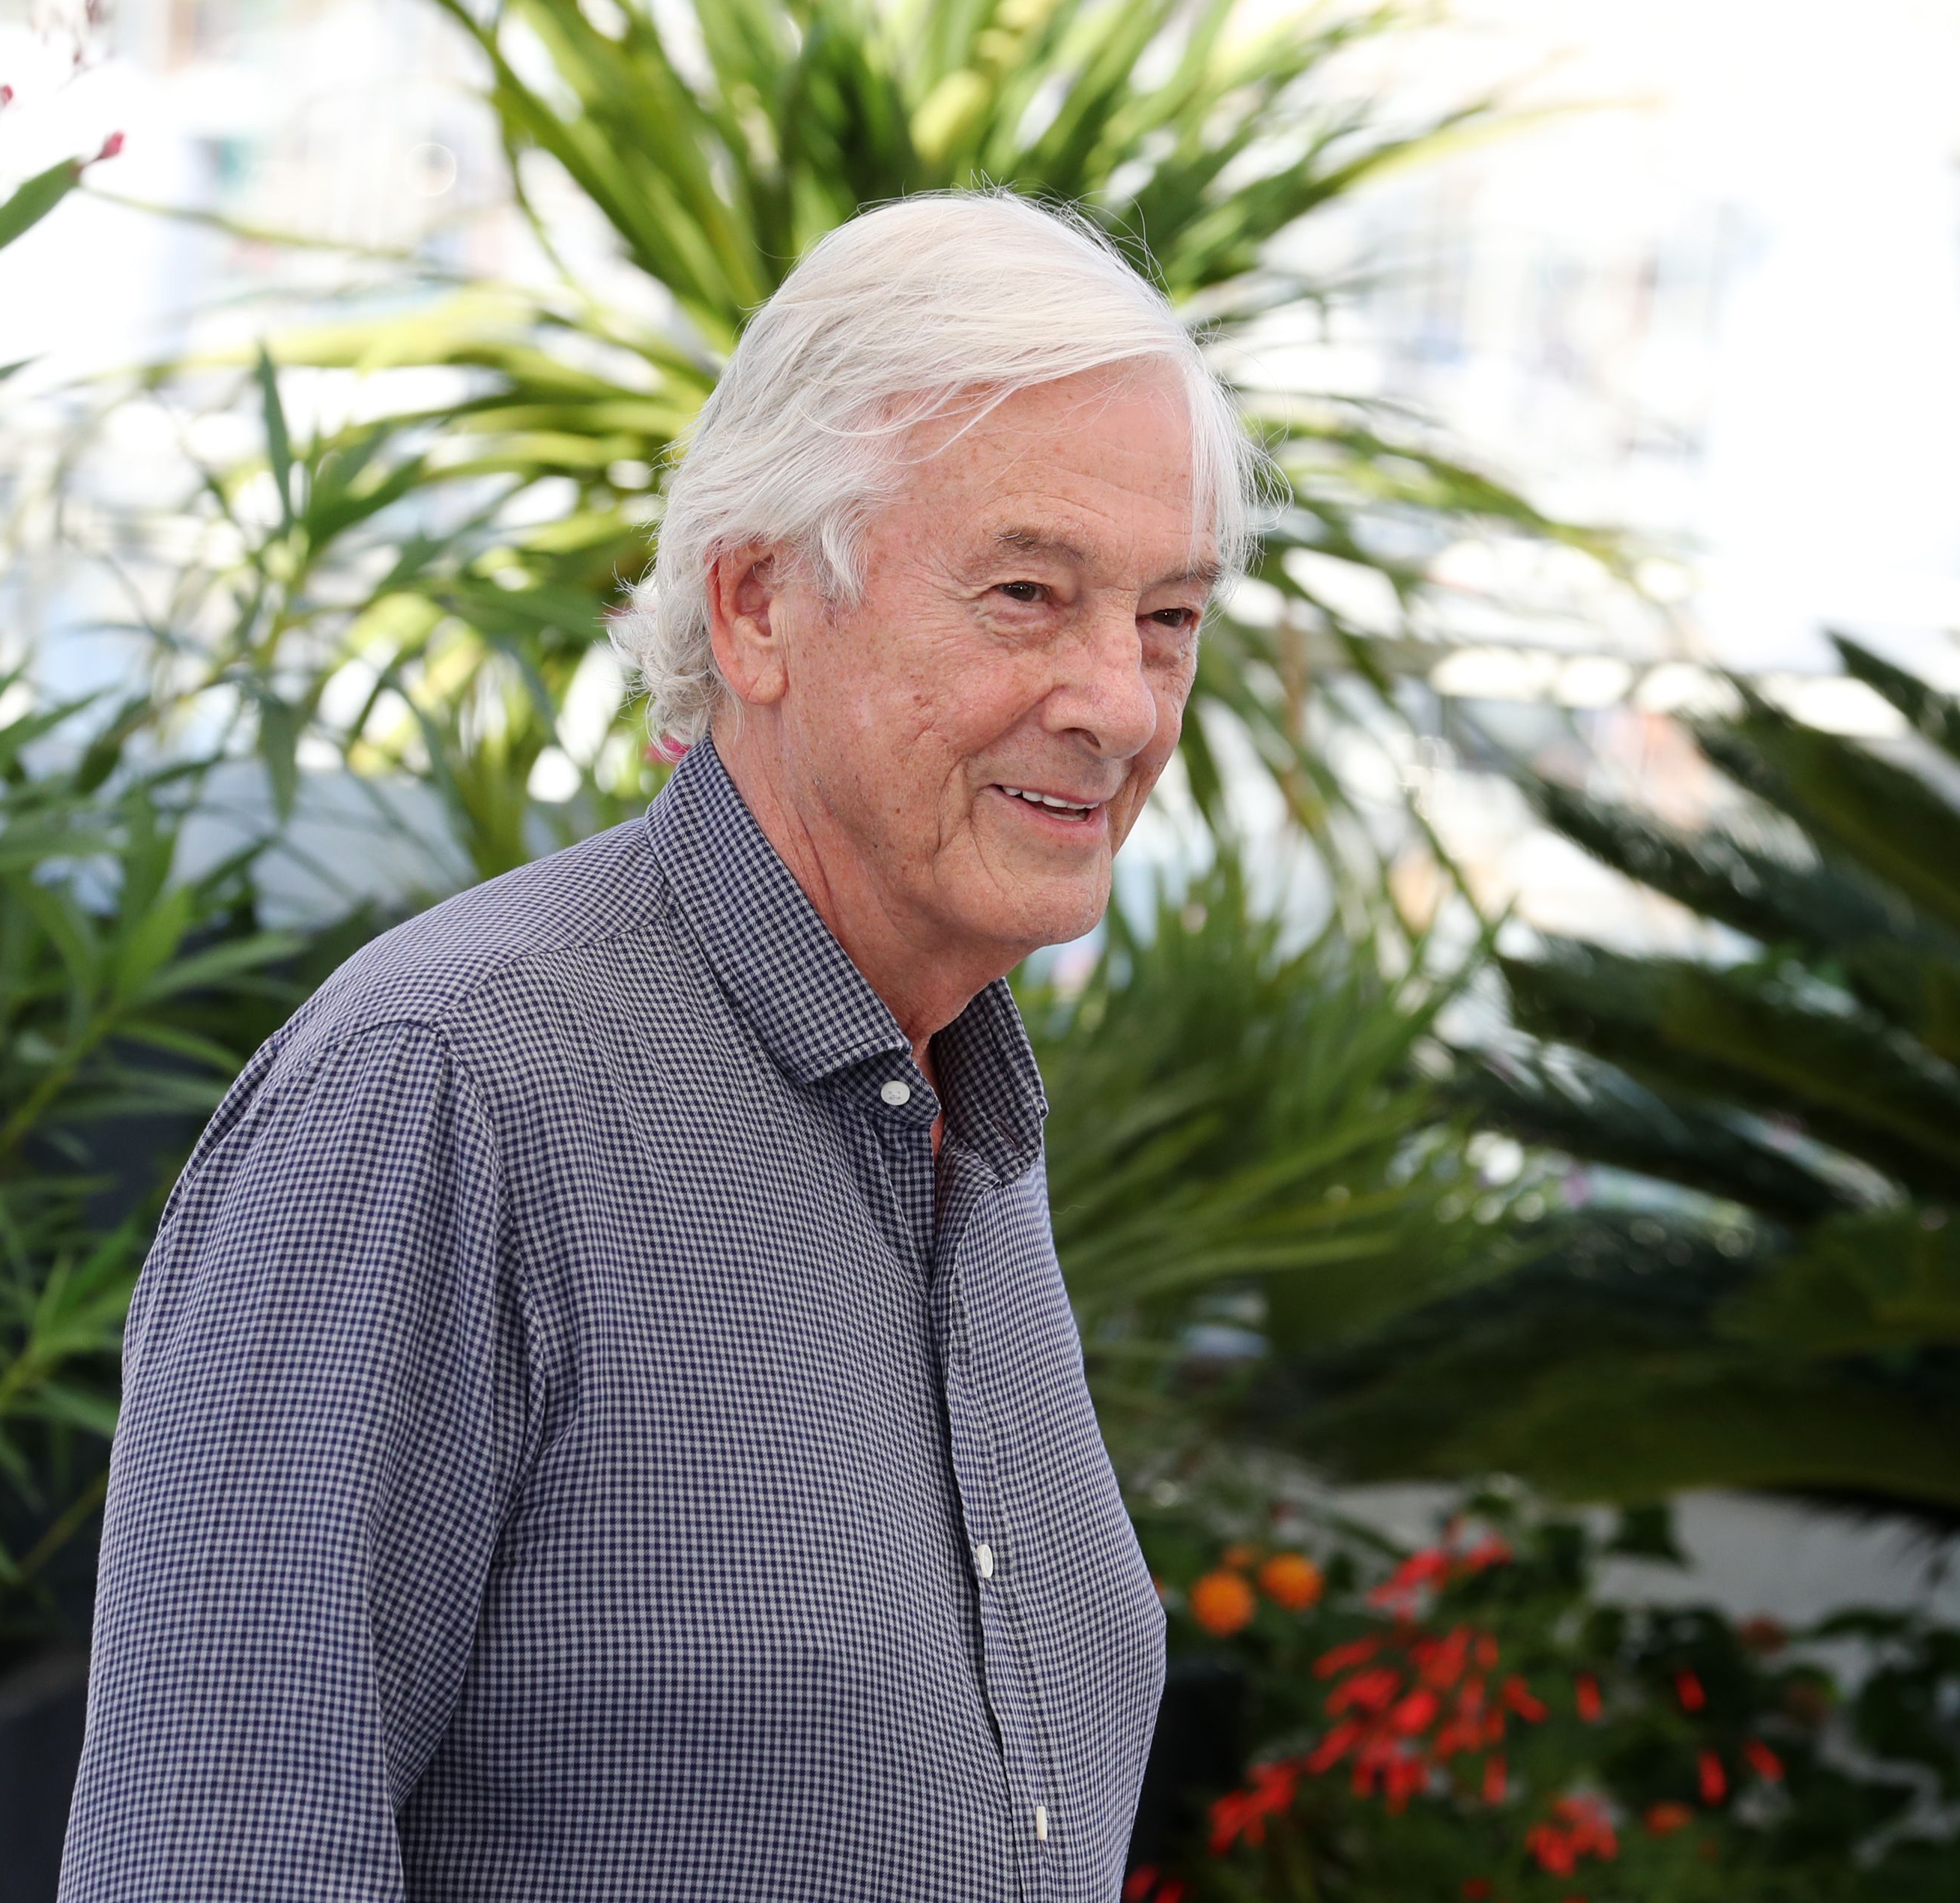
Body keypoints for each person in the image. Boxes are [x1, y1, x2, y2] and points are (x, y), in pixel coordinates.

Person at [61, 187, 1268, 1903]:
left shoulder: (963, 1118)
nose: (1122, 703)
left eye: (1165, 619)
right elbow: (214, 1858)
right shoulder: (439, 1091)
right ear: (760, 605)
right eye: (1024, 592)